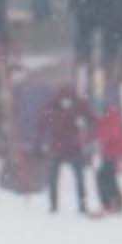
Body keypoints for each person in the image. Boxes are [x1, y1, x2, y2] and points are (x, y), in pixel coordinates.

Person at [36, 85, 91, 214]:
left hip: (69, 148)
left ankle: (73, 205)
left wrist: (86, 127)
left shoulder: (76, 106)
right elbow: (41, 123)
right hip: (63, 147)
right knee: (58, 178)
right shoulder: (55, 106)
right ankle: (56, 205)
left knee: (68, 178)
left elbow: (91, 119)